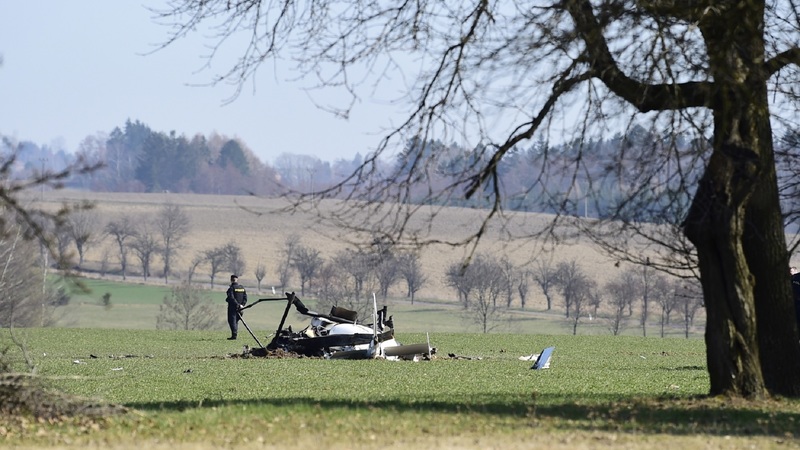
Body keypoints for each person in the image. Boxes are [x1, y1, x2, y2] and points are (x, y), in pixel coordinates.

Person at [225, 274, 248, 340]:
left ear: (231, 280)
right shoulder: (242, 288)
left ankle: (234, 335)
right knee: (236, 321)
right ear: (237, 279)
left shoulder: (231, 288)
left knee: (232, 321)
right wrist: (242, 305)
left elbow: (231, 298)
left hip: (233, 308)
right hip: (241, 308)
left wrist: (237, 305)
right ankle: (234, 334)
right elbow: (245, 297)